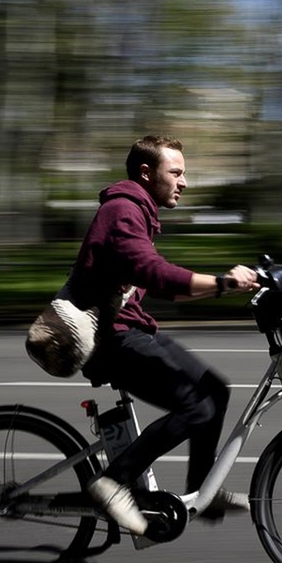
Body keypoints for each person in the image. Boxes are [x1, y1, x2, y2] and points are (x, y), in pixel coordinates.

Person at [69, 135, 259, 535]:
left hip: (132, 329)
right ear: (146, 172)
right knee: (197, 407)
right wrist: (223, 281)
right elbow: (152, 271)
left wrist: (228, 286)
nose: (184, 181)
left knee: (216, 390)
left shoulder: (137, 212)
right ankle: (112, 482)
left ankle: (201, 491)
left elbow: (161, 284)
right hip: (111, 338)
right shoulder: (121, 211)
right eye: (176, 172)